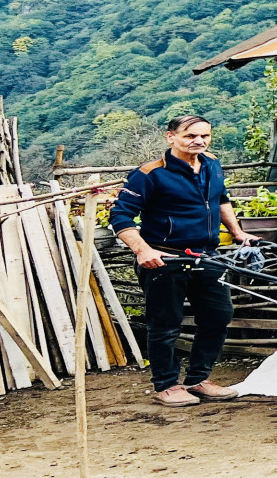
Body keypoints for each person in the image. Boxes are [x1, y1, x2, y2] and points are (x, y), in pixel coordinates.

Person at [109, 114, 254, 406]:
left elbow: (221, 199)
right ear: (171, 137)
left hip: (207, 255)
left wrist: (237, 232)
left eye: (204, 136)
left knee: (218, 316)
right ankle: (166, 386)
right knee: (165, 324)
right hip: (165, 258)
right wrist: (142, 250)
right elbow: (120, 215)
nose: (199, 141)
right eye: (190, 136)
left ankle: (198, 379)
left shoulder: (211, 164)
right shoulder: (150, 174)